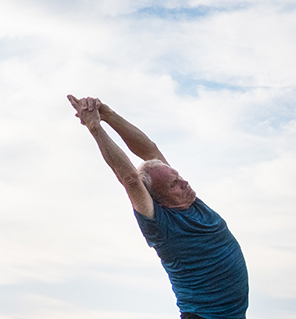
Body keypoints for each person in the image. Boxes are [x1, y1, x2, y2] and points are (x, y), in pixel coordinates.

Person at [67, 95, 248, 319]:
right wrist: (95, 127)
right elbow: (130, 179)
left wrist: (108, 115)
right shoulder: (160, 224)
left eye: (179, 176)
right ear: (158, 197)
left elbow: (150, 150)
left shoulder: (188, 200)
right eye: (174, 184)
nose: (184, 183)